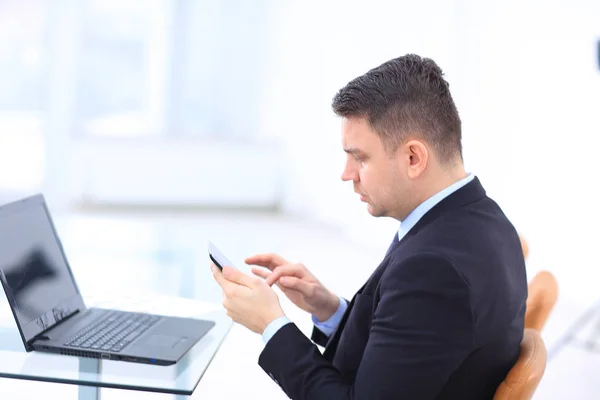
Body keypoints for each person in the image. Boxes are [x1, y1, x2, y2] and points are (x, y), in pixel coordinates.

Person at [211, 54, 527, 399]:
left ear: (413, 158)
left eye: (360, 157)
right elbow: (411, 353)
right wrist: (329, 309)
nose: (346, 174)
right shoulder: (484, 221)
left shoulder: (433, 270)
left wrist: (271, 324)